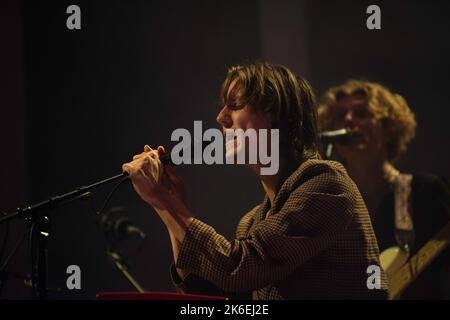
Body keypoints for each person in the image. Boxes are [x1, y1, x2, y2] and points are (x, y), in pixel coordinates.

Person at [122, 63, 388, 299]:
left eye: (235, 105)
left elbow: (239, 269)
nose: (220, 118)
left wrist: (165, 201)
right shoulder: (252, 222)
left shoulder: (327, 185)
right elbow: (208, 299)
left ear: (279, 116)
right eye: (222, 107)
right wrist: (169, 205)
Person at [318, 80, 450, 299]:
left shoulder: (424, 192)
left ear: (388, 128)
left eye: (361, 113)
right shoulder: (332, 207)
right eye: (340, 116)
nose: (348, 120)